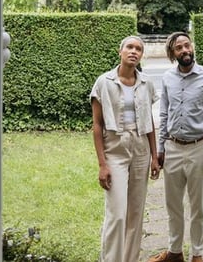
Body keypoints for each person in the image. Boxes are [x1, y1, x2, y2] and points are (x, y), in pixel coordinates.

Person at [148, 32, 203, 262]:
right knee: (173, 205)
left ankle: (197, 254)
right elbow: (163, 112)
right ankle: (175, 252)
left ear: (192, 47)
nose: (184, 50)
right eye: (178, 48)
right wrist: (160, 149)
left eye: (186, 45)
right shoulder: (168, 77)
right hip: (173, 148)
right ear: (172, 53)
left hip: (199, 147)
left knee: (198, 206)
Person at [90, 35, 161, 262]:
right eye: (129, 47)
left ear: (141, 55)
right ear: (120, 51)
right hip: (115, 148)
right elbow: (97, 125)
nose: (134, 51)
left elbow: (149, 120)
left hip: (141, 147)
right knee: (117, 213)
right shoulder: (104, 82)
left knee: (136, 213)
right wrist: (102, 164)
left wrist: (154, 156)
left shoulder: (146, 83)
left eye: (138, 49)